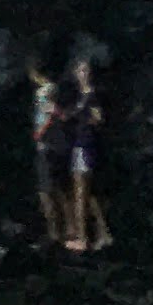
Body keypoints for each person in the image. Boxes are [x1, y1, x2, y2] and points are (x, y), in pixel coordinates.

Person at [60, 56, 112, 253]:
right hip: (78, 145)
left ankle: (82, 239)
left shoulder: (92, 95)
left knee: (81, 193)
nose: (83, 74)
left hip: (85, 146)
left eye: (85, 70)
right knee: (87, 193)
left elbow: (98, 119)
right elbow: (68, 115)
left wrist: (90, 119)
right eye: (80, 70)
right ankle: (104, 234)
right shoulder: (80, 96)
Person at [31, 59, 73, 248]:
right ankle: (69, 228)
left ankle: (54, 232)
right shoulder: (57, 89)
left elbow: (51, 113)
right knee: (59, 189)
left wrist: (41, 132)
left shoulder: (44, 91)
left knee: (46, 191)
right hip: (58, 146)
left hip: (46, 147)